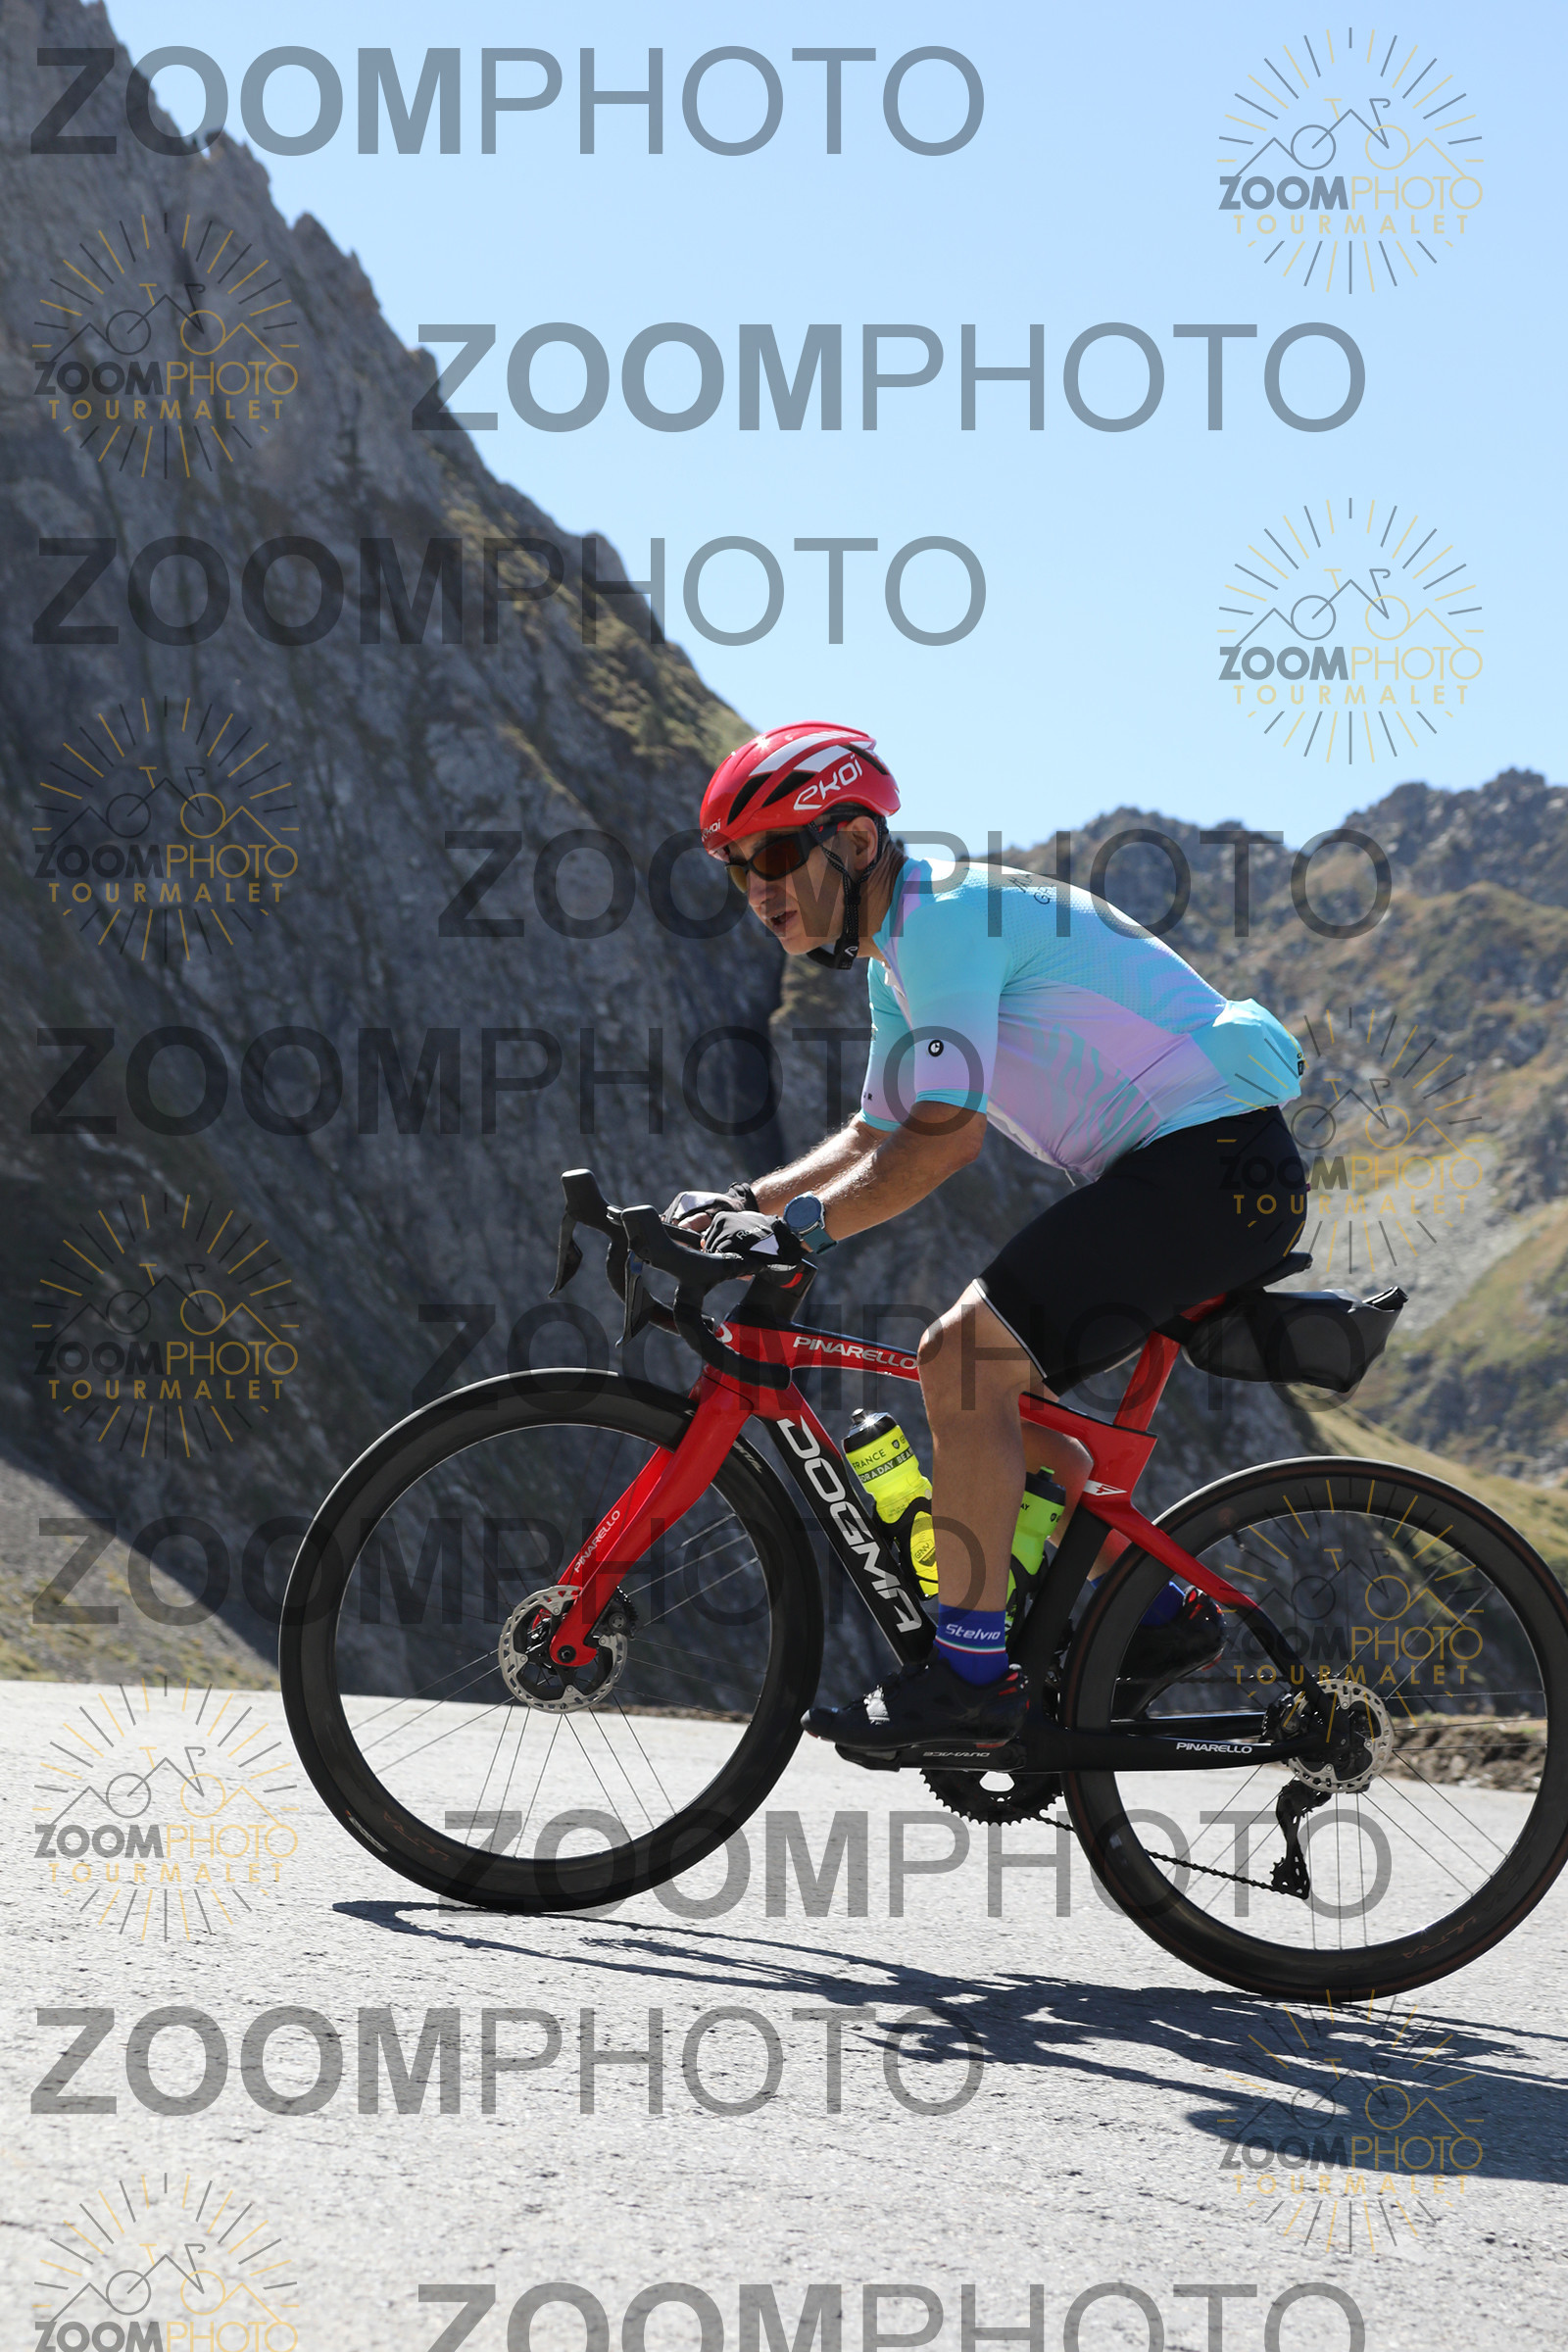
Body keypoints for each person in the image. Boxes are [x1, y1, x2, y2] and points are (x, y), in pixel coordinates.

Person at [675, 721, 1306, 1758]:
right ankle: (1154, 1614)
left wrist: (791, 1232)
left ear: (856, 842)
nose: (758, 887)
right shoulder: (897, 957)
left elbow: (940, 1142)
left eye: (777, 853)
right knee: (998, 1405)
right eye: (739, 867)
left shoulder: (944, 921)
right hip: (1191, 1176)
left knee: (961, 1363)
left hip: (1212, 1169)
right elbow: (873, 1134)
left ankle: (970, 1679)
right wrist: (740, 1204)